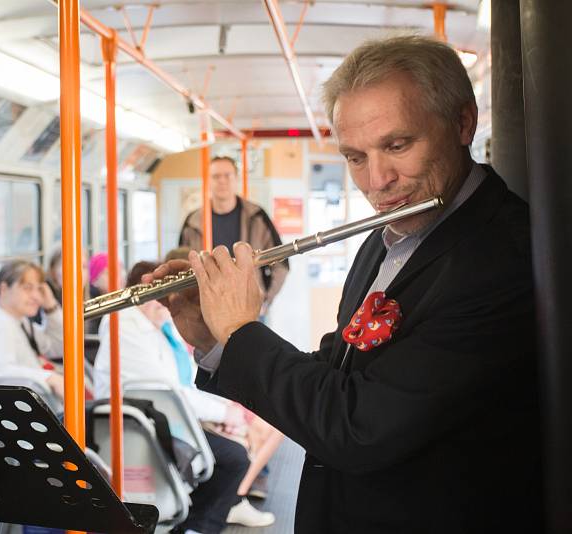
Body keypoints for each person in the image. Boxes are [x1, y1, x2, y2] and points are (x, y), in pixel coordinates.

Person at [147, 35, 541, 533]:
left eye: (397, 145)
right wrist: (214, 336)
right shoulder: (385, 241)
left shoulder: (501, 257)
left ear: (463, 123)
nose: (376, 181)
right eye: (355, 157)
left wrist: (244, 331)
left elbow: (360, 427)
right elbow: (340, 371)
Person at [95, 261, 274, 532]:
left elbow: (185, 379)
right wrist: (225, 414)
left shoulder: (157, 326)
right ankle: (198, 525)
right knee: (234, 459)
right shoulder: (126, 327)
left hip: (168, 416)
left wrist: (226, 410)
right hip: (142, 425)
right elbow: (170, 390)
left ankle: (205, 518)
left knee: (239, 447)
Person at [178, 156, 288, 311]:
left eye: (227, 175)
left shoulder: (257, 217)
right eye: (216, 176)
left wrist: (265, 299)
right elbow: (181, 267)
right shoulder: (192, 222)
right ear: (208, 181)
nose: (222, 181)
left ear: (236, 178)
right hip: (207, 308)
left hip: (249, 306)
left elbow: (281, 262)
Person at [0, 260, 64, 400]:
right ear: (3, 289)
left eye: (39, 289)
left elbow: (58, 347)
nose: (36, 296)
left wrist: (51, 307)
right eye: (27, 288)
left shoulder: (18, 320)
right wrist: (49, 378)